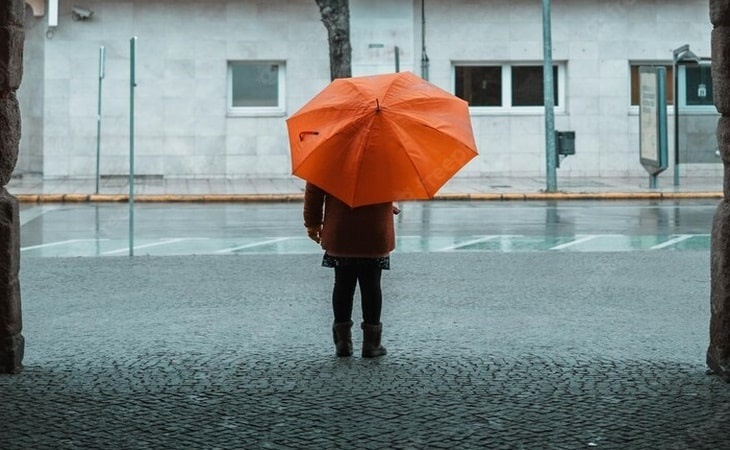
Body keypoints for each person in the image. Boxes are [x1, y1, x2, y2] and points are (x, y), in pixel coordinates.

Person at [303, 182, 398, 358]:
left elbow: (314, 190)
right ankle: (371, 344)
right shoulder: (384, 156)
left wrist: (313, 223)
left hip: (341, 227)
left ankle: (343, 344)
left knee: (342, 284)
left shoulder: (330, 157)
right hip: (374, 226)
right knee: (372, 285)